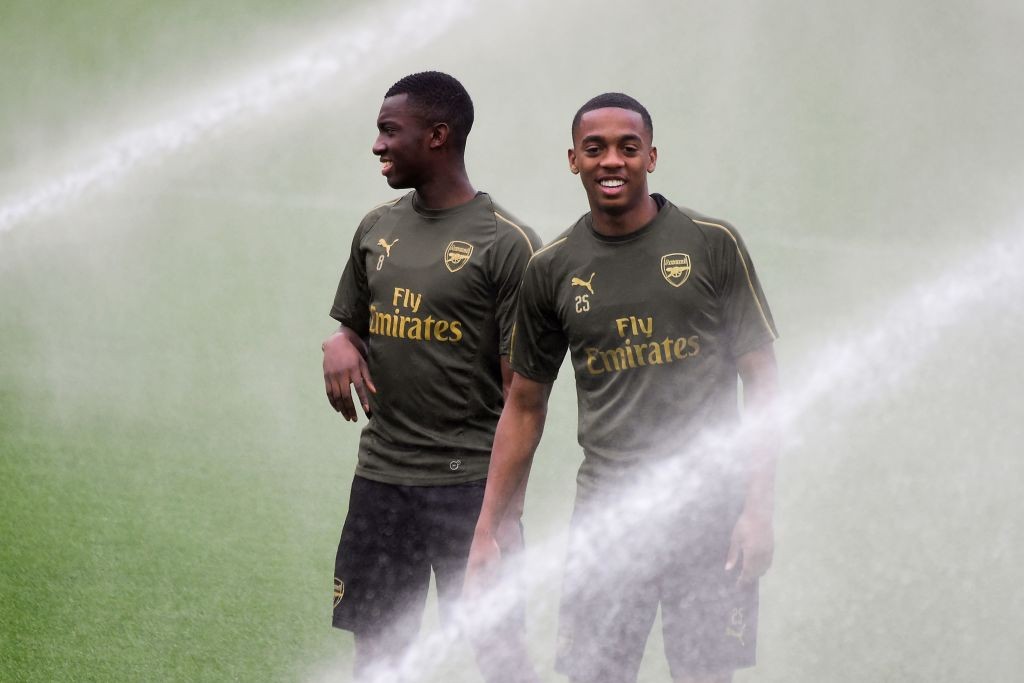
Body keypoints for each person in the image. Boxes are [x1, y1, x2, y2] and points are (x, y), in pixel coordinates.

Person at [465, 93, 780, 683]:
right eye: (595, 148)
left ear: (651, 157)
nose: (612, 160)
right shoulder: (551, 269)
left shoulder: (712, 243)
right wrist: (488, 528)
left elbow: (763, 384)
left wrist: (758, 511)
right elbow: (525, 407)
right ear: (573, 160)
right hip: (607, 513)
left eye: (628, 148)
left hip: (709, 510)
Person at [322, 71, 542, 682]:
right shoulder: (376, 228)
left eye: (390, 131)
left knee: (498, 657)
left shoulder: (508, 245)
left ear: (437, 136)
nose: (378, 145)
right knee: (377, 655)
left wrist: (502, 518)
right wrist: (338, 341)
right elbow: (353, 327)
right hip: (381, 480)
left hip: (467, 489)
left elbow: (523, 398)